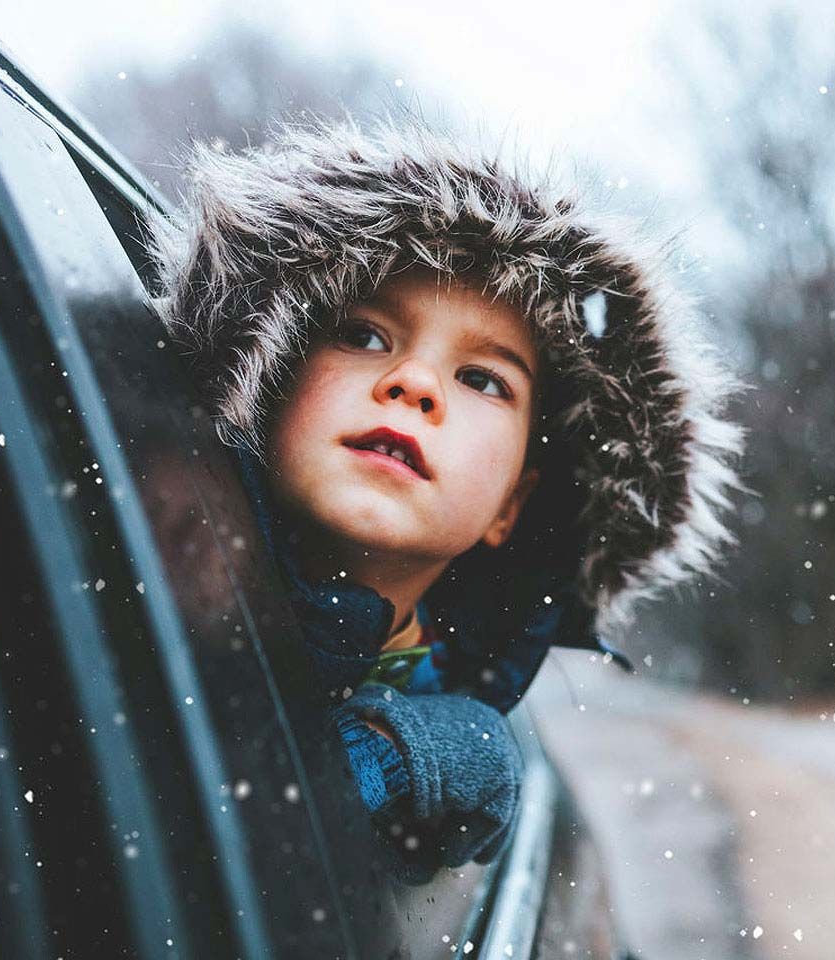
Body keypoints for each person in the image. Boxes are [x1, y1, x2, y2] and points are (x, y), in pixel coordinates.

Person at [142, 111, 746, 883]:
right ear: (272, 371)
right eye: (364, 336)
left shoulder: (447, 676)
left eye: (483, 379)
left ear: (511, 507)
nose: (415, 384)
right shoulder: (151, 549)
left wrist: (440, 750)